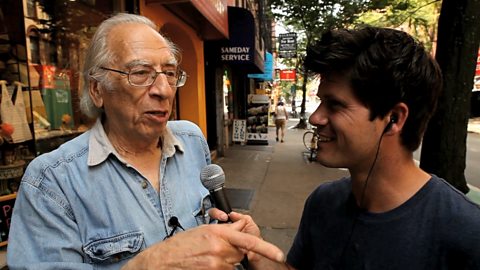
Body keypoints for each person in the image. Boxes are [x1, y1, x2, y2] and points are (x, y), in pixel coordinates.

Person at [7, 13, 284, 269]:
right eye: (140, 73)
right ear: (97, 90)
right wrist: (149, 264)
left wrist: (229, 240)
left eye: (170, 73)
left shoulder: (192, 139)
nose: (164, 90)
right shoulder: (52, 181)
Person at [221, 26, 480, 269]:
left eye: (335, 105)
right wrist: (254, 252)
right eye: (321, 102)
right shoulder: (323, 202)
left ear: (394, 119)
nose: (315, 118)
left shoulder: (465, 232)